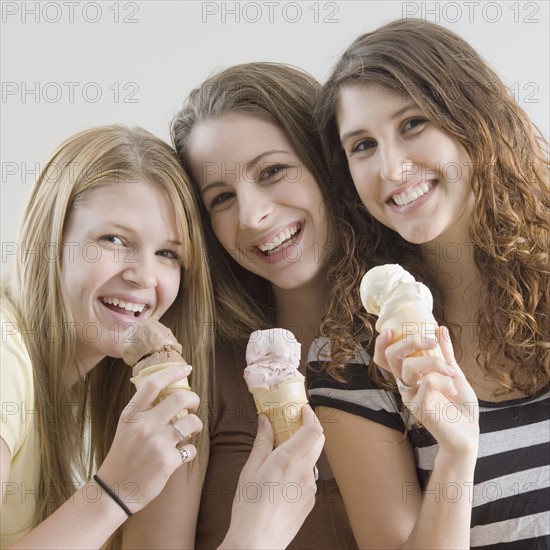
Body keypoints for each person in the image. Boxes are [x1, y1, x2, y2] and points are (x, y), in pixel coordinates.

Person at [1, 125, 324, 549]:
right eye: (114, 240)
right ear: (50, 238)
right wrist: (117, 490)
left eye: (168, 253)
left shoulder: (95, 394)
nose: (144, 276)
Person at [308, 18, 550, 549]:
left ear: (474, 118)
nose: (392, 168)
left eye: (412, 123)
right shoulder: (351, 361)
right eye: (363, 145)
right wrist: (456, 456)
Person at [171, 62, 358, 549]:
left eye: (272, 171)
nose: (253, 215)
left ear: (326, 162)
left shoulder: (424, 341)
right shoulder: (196, 377)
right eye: (221, 197)